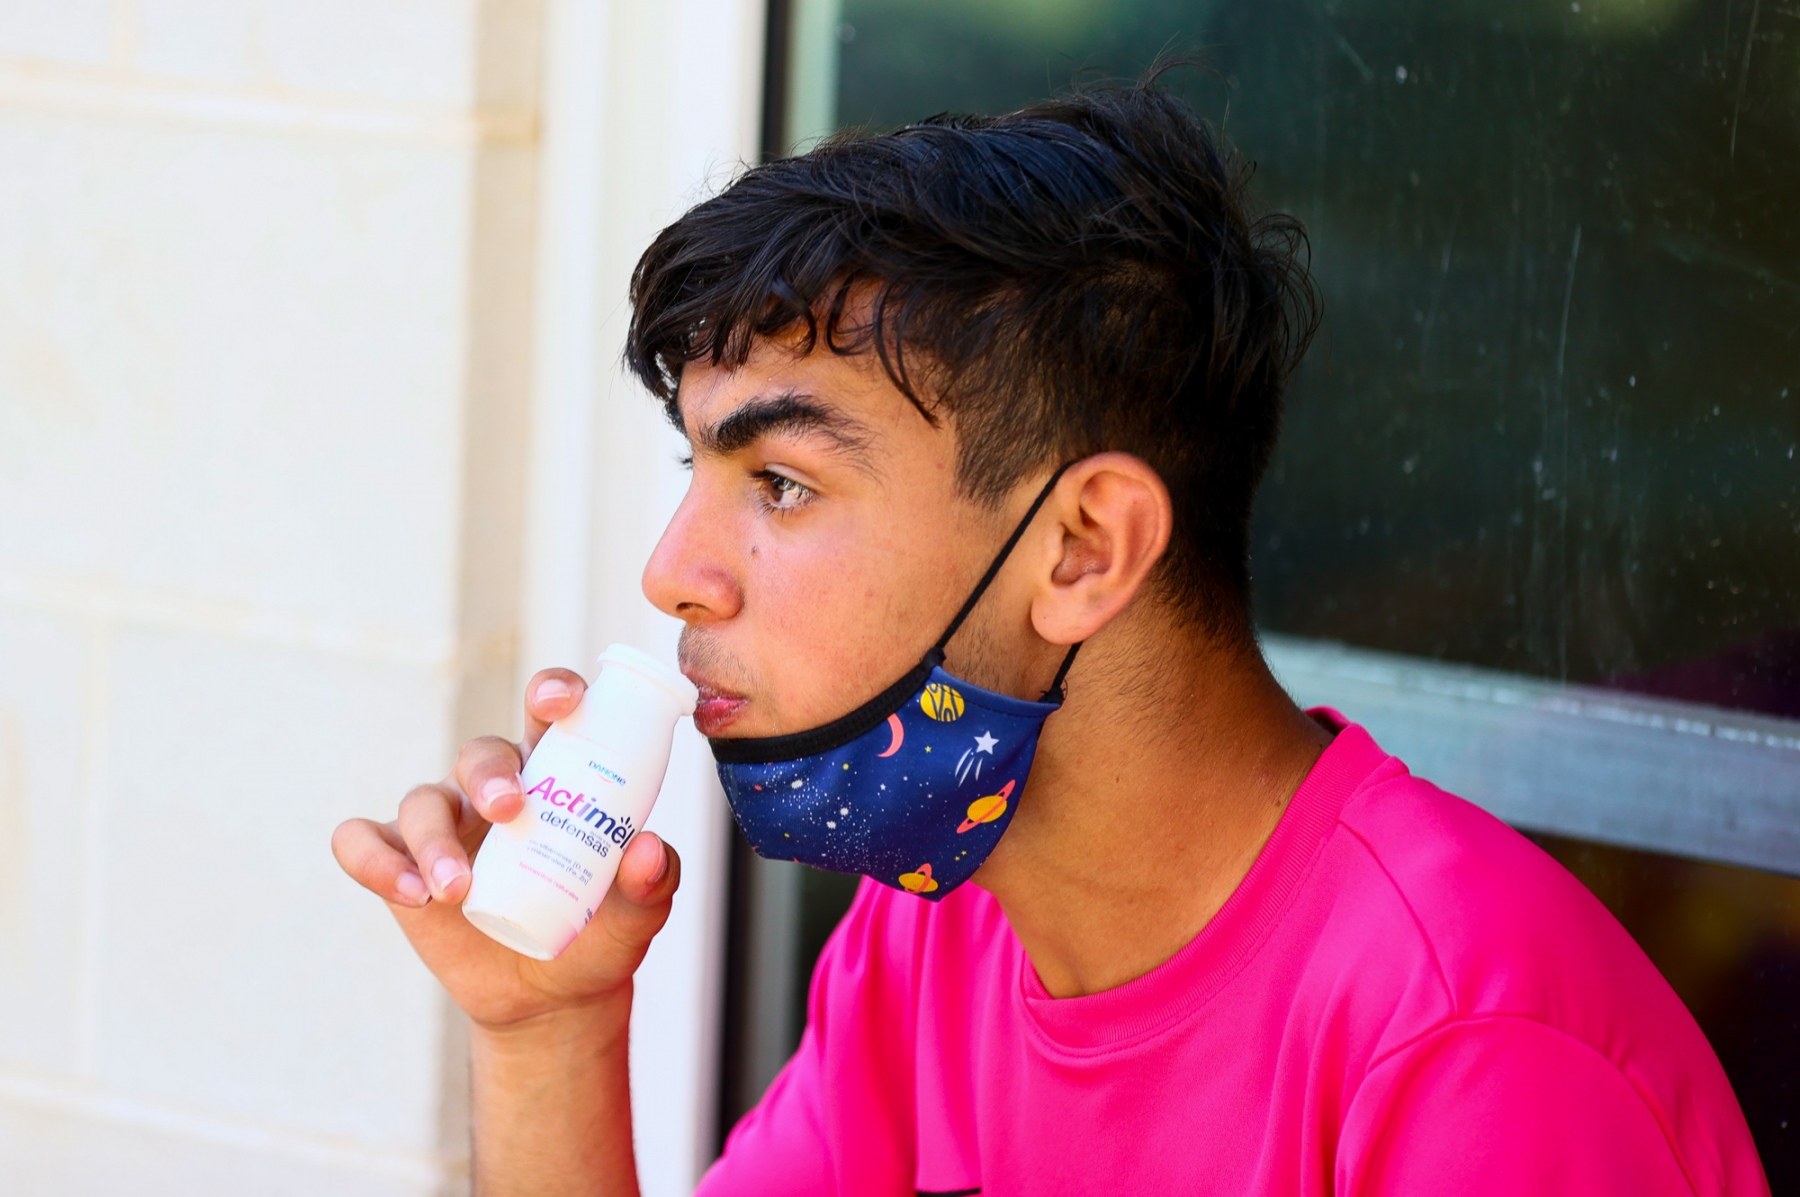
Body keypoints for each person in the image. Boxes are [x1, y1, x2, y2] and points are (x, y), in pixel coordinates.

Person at [331, 80, 1769, 1195]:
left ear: (1084, 548)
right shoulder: (935, 934)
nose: (674, 574)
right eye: (692, 471)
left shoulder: (1465, 1039)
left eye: (780, 483)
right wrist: (546, 1031)